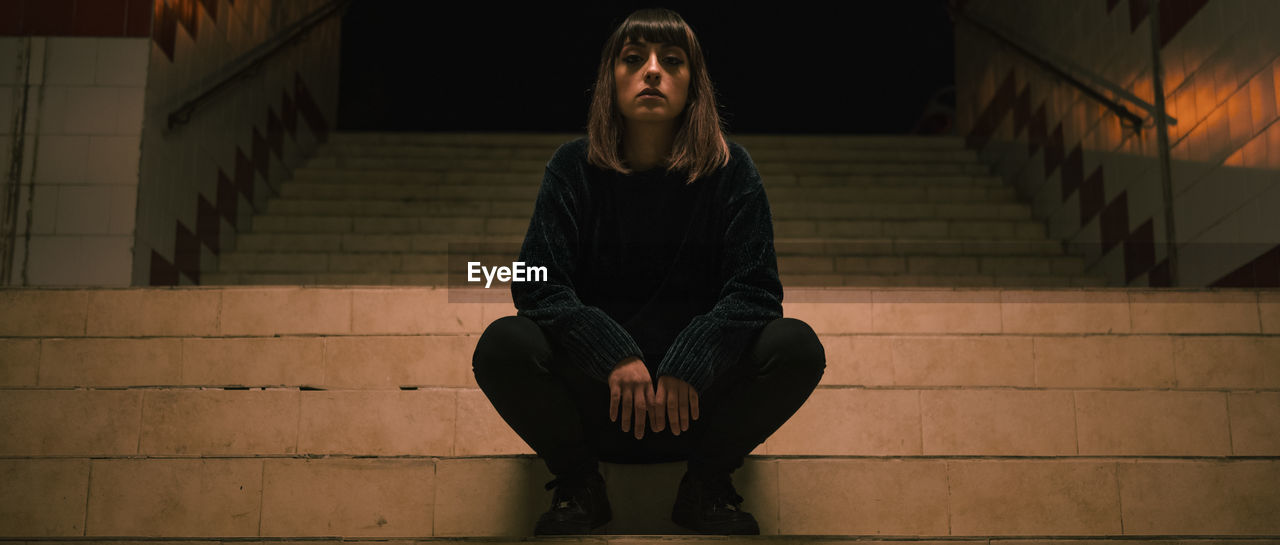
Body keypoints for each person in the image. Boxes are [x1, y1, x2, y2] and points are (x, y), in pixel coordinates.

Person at [471, 7, 825, 536]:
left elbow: (756, 291)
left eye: (672, 61)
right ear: (610, 81)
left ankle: (706, 485)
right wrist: (611, 353)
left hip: (697, 414)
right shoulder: (572, 168)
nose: (653, 71)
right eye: (634, 59)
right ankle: (579, 484)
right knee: (504, 343)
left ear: (693, 84)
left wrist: (692, 359)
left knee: (795, 345)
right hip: (599, 407)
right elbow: (534, 281)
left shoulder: (732, 171)